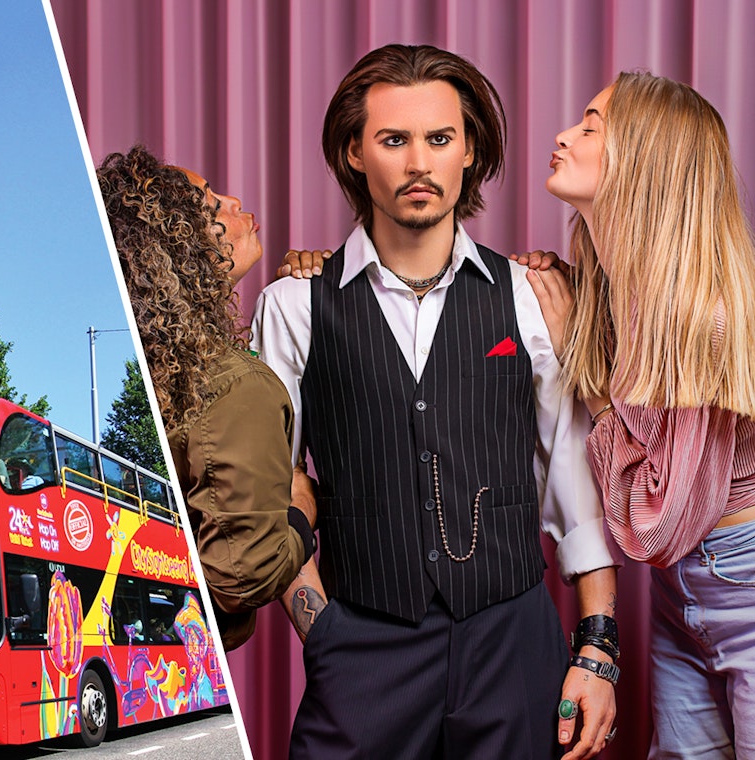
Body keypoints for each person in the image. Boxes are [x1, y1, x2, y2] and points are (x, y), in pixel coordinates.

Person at [252, 44, 622, 759]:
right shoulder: (294, 305)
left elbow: (573, 479)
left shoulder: (529, 294)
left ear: (468, 150)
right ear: (356, 153)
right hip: (362, 650)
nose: (419, 162)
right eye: (394, 140)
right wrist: (321, 630)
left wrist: (597, 646)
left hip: (513, 645)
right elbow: (272, 488)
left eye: (439, 139)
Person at [529, 71, 755, 759]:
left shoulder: (706, 320)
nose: (565, 134)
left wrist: (587, 381)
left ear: (647, 161)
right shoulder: (611, 293)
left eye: (593, 126)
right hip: (679, 596)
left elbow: (654, 526)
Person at [97, 145, 318, 650]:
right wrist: (303, 505)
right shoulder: (234, 386)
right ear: (182, 246)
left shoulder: (168, 365)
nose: (236, 202)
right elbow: (243, 578)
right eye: (212, 203)